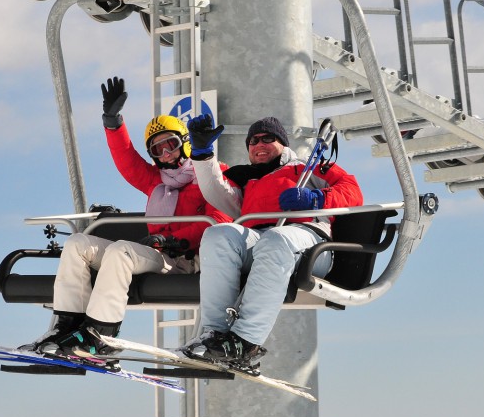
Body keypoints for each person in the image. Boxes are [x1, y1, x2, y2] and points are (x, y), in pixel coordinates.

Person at [20, 77, 230, 360]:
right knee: (78, 244)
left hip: (188, 259)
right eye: (157, 150)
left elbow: (218, 219)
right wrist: (112, 121)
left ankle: (101, 335)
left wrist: (173, 239)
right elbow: (127, 160)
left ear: (185, 143)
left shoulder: (211, 175)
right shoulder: (157, 181)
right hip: (160, 256)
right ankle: (65, 326)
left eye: (170, 144)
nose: (166, 153)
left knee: (122, 251)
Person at [180, 114, 363, 368]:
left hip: (309, 244)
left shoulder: (307, 168)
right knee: (217, 235)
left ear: (283, 143)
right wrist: (202, 154)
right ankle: (216, 336)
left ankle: (247, 341)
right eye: (253, 141)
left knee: (276, 239)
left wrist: (315, 199)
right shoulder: (249, 179)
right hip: (262, 241)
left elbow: (352, 190)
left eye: (268, 138)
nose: (259, 144)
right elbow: (216, 193)